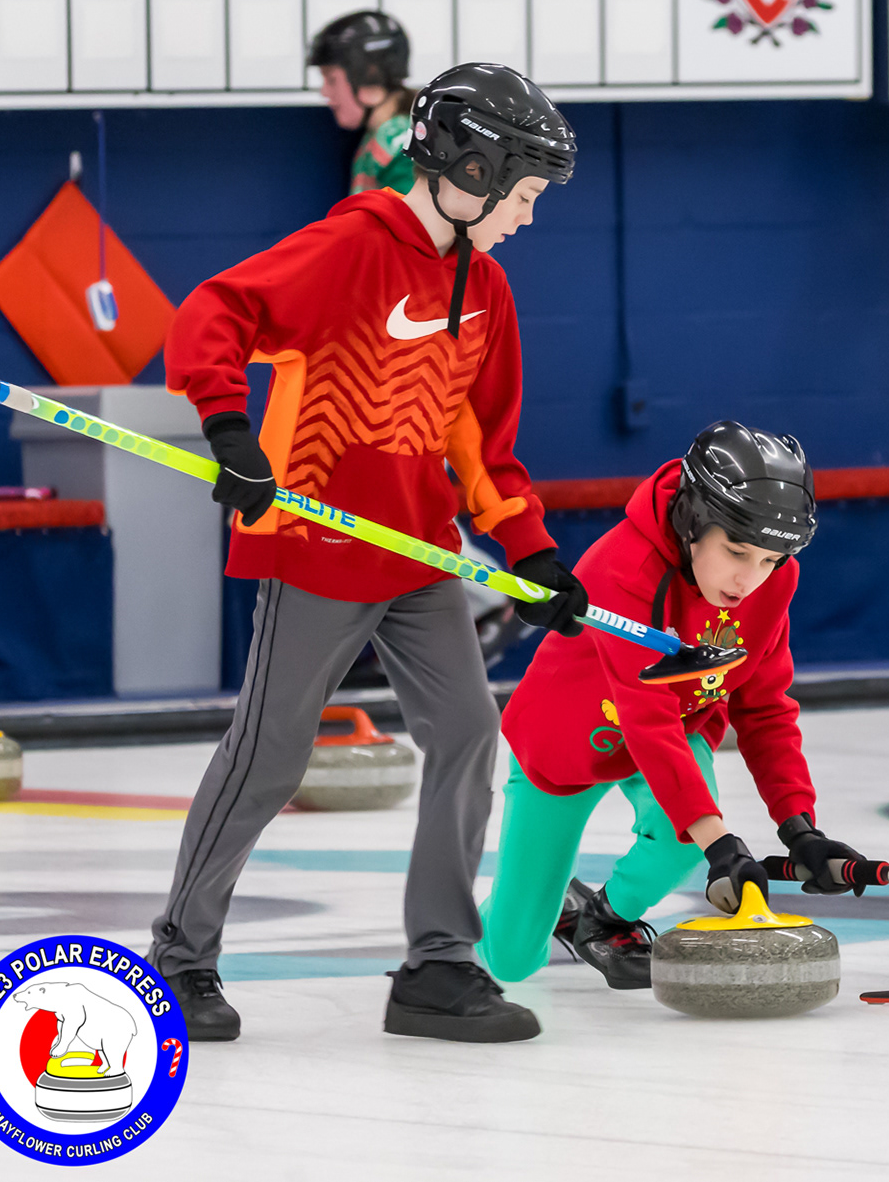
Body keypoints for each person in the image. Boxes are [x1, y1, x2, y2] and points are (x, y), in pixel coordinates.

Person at [152, 63, 589, 1043]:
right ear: (472, 173)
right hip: (315, 540)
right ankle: (180, 957)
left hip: (419, 551)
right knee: (270, 753)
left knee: (470, 733)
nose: (527, 217)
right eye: (522, 195)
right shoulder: (350, 247)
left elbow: (483, 446)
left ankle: (438, 965)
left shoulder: (486, 287)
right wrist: (229, 430)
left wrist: (531, 552)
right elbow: (215, 312)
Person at [481, 422, 873, 992]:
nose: (750, 580)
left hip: (678, 727)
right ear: (691, 521)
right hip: (565, 745)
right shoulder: (624, 567)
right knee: (512, 960)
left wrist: (799, 827)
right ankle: (525, 917)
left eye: (770, 559)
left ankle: (602, 918)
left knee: (681, 839)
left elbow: (765, 708)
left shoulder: (774, 581)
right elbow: (646, 716)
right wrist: (721, 844)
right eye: (736, 552)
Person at [310, 11, 417, 196]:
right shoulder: (382, 134)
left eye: (331, 79)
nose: (324, 92)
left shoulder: (404, 147)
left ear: (369, 74)